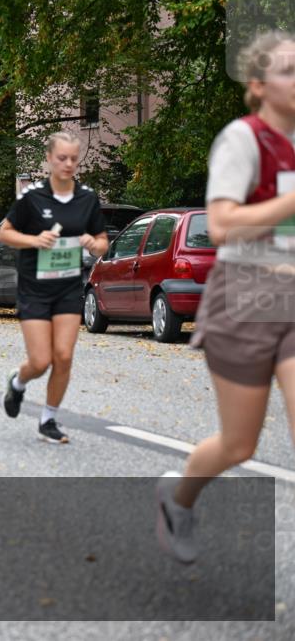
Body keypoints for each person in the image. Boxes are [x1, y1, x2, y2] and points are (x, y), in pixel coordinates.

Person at [157, 31, 295, 564]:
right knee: (240, 445)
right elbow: (220, 223)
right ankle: (178, 496)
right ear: (257, 84)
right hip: (245, 299)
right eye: (287, 70)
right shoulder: (243, 139)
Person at [0, 131, 108, 443]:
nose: (68, 164)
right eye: (62, 158)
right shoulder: (32, 197)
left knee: (63, 356)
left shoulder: (87, 199)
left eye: (74, 158)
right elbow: (5, 233)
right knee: (40, 361)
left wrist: (92, 243)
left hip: (68, 289)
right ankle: (18, 383)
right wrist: (34, 240)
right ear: (48, 159)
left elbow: (102, 244)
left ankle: (48, 419)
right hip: (34, 288)